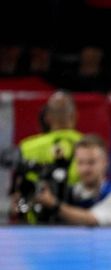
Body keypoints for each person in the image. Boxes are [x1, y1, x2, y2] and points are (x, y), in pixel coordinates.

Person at [10, 91, 83, 224]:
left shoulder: (26, 147)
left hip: (34, 227)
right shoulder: (88, 146)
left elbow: (17, 196)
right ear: (74, 116)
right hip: (78, 223)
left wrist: (21, 211)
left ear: (47, 117)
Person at [35, 135, 111, 226]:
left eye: (91, 162)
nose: (85, 169)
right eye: (80, 162)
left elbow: (90, 220)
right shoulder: (72, 192)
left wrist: (53, 204)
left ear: (105, 162)